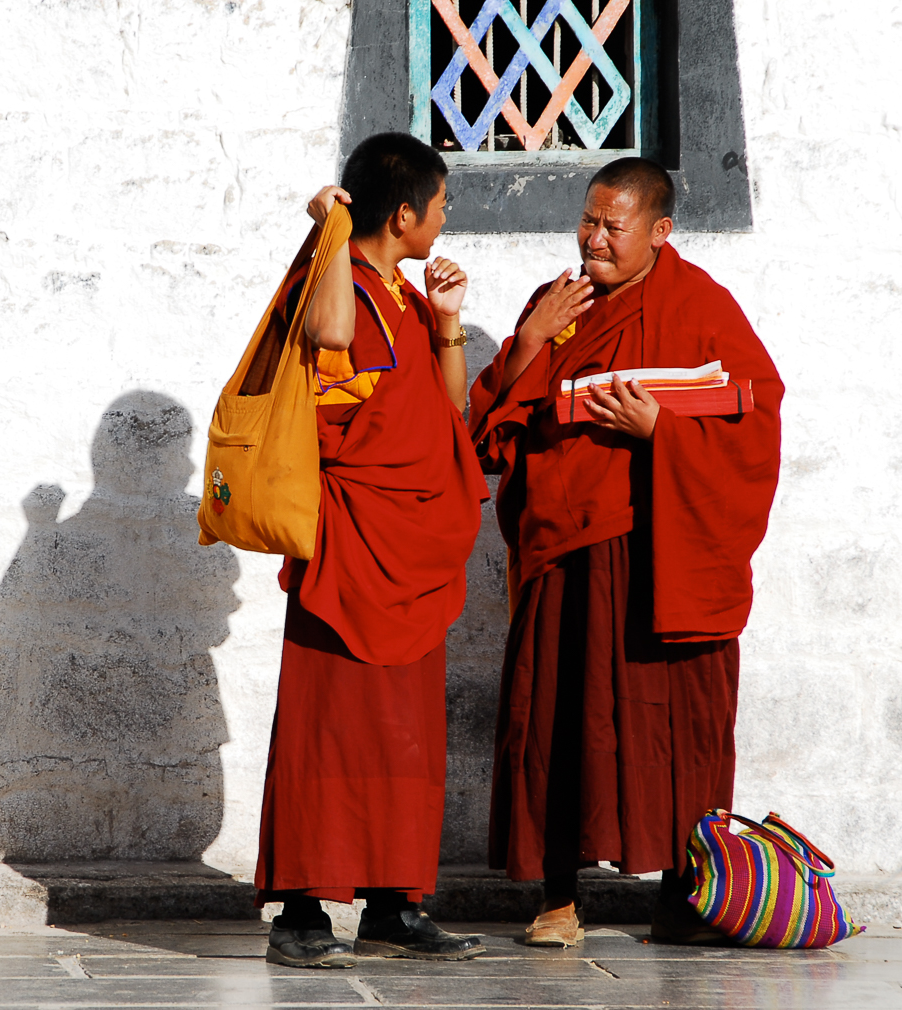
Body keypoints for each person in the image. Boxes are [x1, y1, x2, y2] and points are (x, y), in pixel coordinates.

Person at [469, 158, 784, 946]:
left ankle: (686, 894)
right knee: (557, 718)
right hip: (568, 548)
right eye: (588, 220)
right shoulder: (557, 303)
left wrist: (660, 434)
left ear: (660, 231)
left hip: (662, 550)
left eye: (615, 226)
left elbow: (756, 418)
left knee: (675, 722)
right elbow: (494, 428)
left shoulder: (701, 305)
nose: (595, 239)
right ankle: (558, 898)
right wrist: (532, 340)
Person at [253, 132, 489, 968]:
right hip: (349, 539)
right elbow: (326, 333)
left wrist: (450, 322)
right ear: (403, 213)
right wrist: (327, 231)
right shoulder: (339, 281)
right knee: (330, 727)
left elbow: (442, 415)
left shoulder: (406, 296)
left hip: (409, 546)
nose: (446, 216)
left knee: (402, 736)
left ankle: (393, 902)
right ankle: (304, 911)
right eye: (442, 203)